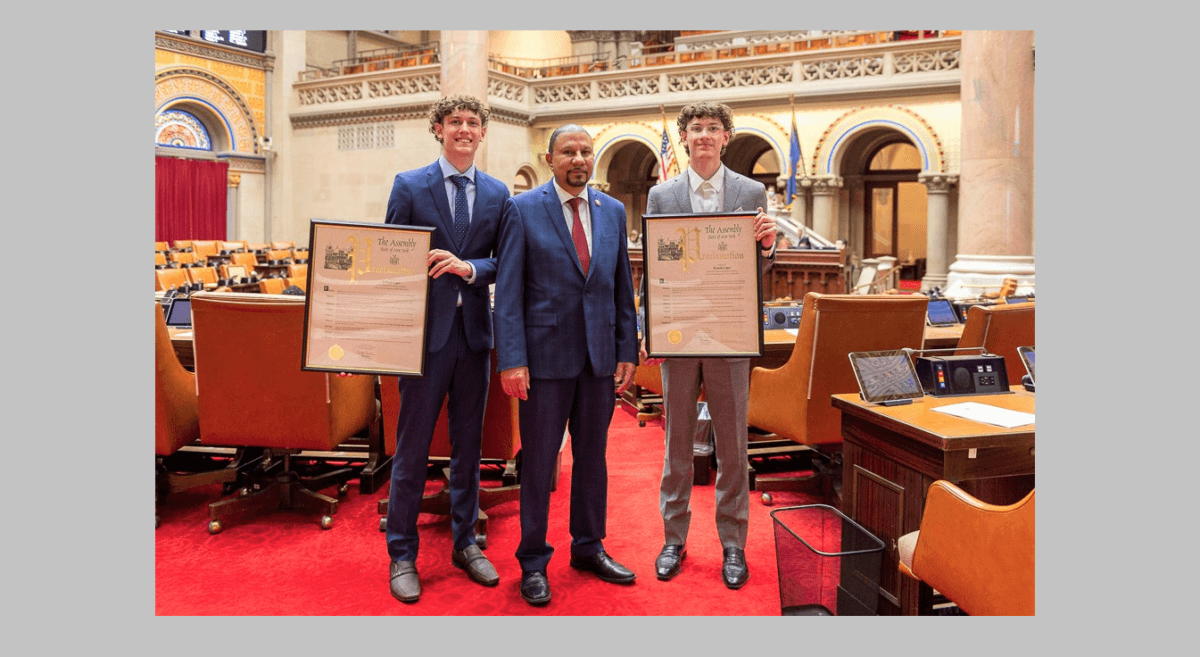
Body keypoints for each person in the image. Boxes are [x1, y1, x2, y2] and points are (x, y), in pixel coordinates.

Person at [495, 124, 640, 606]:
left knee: (592, 459)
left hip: (598, 360)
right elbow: (509, 293)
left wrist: (627, 348)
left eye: (585, 151)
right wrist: (512, 358)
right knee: (538, 464)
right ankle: (533, 559)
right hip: (543, 362)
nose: (578, 159)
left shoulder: (612, 211)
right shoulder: (522, 209)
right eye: (568, 152)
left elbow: (621, 288)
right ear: (550, 157)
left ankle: (588, 546)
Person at [382, 94, 513, 604]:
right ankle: (401, 554)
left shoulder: (500, 194)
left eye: (473, 123)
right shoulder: (409, 186)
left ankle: (465, 544)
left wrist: (471, 268)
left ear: (483, 133)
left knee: (469, 448)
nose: (464, 129)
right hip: (423, 341)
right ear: (437, 129)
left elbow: (507, 261)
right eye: (455, 121)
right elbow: (389, 262)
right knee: (411, 449)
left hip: (476, 337)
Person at [642, 101, 776, 589]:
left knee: (733, 445)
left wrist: (766, 247)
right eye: (695, 128)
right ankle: (673, 539)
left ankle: (733, 543)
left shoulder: (750, 190)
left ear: (725, 138)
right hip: (679, 332)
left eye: (712, 128)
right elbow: (654, 269)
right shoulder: (662, 194)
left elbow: (757, 269)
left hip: (730, 331)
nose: (703, 135)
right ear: (684, 137)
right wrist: (650, 328)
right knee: (677, 442)